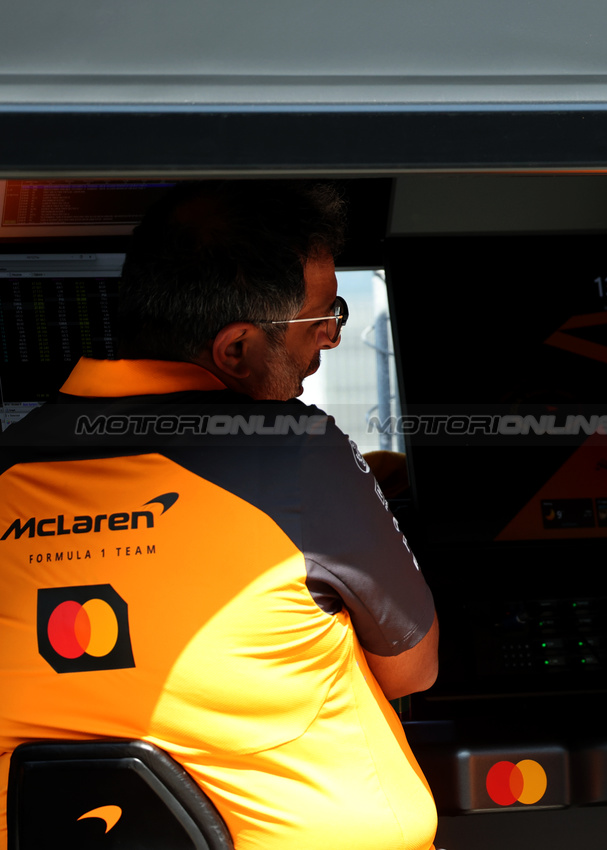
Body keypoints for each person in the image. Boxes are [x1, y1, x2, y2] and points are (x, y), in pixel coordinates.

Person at [0, 181, 440, 850]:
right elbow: (414, 669)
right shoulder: (296, 455)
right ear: (235, 350)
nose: (329, 336)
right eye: (321, 316)